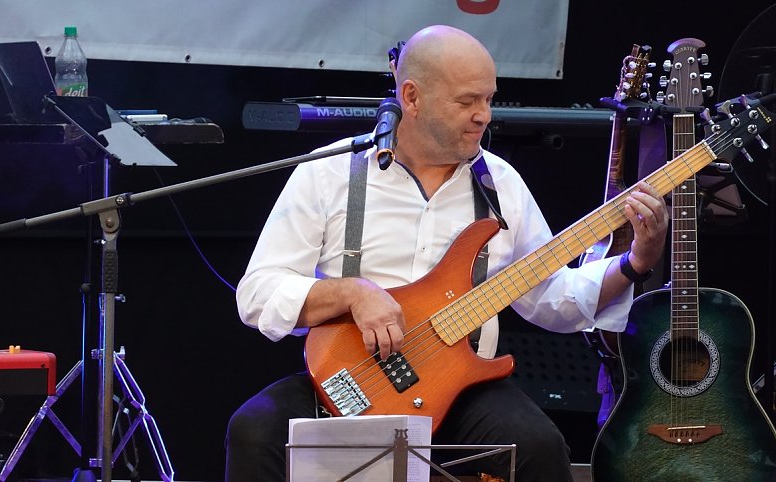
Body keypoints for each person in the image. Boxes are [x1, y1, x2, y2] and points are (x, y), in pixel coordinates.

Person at [226, 24, 668, 481]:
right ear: (412, 98)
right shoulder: (329, 173)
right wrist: (352, 293)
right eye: (467, 101)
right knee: (254, 432)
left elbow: (552, 299)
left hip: (463, 391)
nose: (484, 116)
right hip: (348, 382)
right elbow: (257, 293)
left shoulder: (501, 184)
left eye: (488, 100)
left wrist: (635, 262)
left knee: (538, 446)